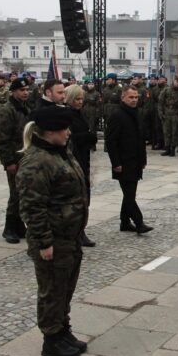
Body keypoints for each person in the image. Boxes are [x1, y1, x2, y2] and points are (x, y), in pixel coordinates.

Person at [17, 106, 88, 356]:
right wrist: (44, 242)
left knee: (64, 288)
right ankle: (51, 339)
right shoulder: (37, 161)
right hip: (53, 238)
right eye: (64, 129)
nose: (68, 132)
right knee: (52, 290)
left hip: (69, 235)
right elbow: (31, 207)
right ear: (48, 132)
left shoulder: (58, 152)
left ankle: (62, 329)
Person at [106, 86, 153, 234]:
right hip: (123, 162)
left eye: (136, 97)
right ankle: (139, 222)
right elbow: (111, 141)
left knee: (129, 194)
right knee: (129, 195)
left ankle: (125, 222)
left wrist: (143, 159)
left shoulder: (137, 113)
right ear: (123, 97)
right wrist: (116, 163)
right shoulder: (117, 115)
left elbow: (141, 139)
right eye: (131, 97)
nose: (134, 100)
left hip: (136, 160)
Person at [0, 79, 31, 243]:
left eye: (26, 89)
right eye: (21, 90)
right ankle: (9, 227)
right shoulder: (7, 111)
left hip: (25, 158)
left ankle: (18, 224)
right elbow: (1, 140)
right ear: (13, 92)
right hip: (14, 158)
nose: (25, 92)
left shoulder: (24, 109)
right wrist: (8, 162)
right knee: (15, 193)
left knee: (23, 193)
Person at [65, 85, 97, 247]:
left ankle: (80, 230)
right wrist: (89, 136)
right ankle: (77, 232)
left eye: (81, 99)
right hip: (74, 160)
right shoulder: (67, 115)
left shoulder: (79, 113)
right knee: (78, 199)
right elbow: (71, 138)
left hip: (84, 159)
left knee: (85, 197)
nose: (80, 102)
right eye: (77, 99)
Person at [159, 77, 178, 157]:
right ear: (174, 81)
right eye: (177, 81)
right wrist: (161, 113)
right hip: (166, 113)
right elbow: (160, 102)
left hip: (175, 114)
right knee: (166, 132)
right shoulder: (166, 90)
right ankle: (167, 148)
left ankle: (172, 149)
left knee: (174, 132)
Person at [101, 74, 121, 150]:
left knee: (116, 129)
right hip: (107, 112)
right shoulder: (105, 89)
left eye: (108, 79)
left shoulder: (119, 89)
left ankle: (116, 146)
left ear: (113, 80)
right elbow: (102, 102)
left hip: (115, 112)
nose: (107, 81)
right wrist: (102, 112)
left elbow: (121, 102)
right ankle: (107, 146)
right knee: (107, 130)